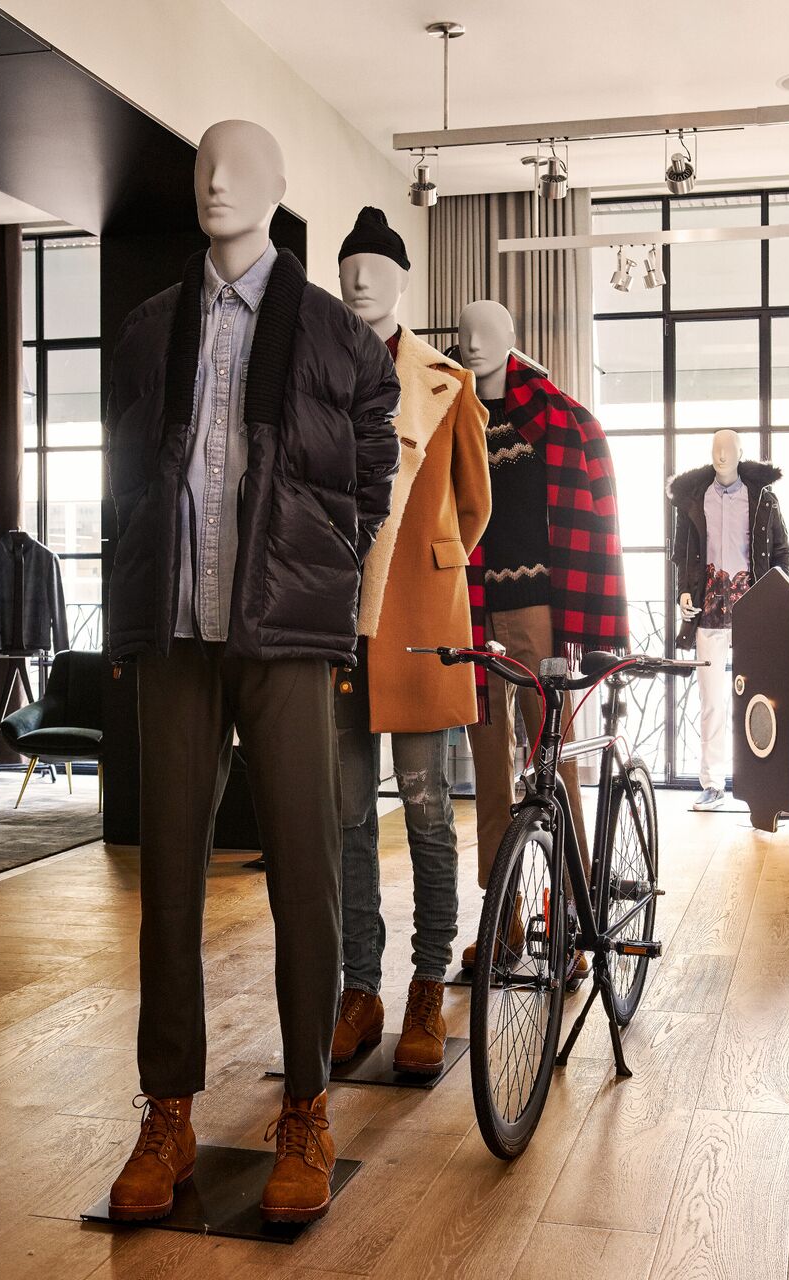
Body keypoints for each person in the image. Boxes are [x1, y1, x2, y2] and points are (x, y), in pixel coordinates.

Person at [105, 121, 400, 1224]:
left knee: (305, 875)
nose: (216, 181)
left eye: (238, 166)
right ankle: (168, 1112)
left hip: (284, 636)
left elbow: (370, 477)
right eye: (203, 164)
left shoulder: (334, 336)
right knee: (169, 878)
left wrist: (323, 573)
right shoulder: (149, 327)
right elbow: (129, 476)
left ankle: (308, 1108)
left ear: (278, 188)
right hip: (177, 634)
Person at [333, 208, 490, 1075]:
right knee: (347, 816)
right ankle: (360, 988)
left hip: (424, 619)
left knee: (428, 813)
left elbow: (473, 505)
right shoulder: (314, 369)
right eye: (349, 266)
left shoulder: (449, 383)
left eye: (377, 267)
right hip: (333, 619)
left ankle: (428, 983)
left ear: (403, 281)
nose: (361, 280)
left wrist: (426, 568)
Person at [457, 300, 628, 974]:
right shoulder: (451, 413)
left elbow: (594, 526)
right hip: (470, 611)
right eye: (464, 333)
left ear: (511, 340)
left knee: (553, 767)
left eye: (486, 332)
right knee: (488, 772)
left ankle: (571, 912)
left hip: (539, 617)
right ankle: (502, 917)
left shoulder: (561, 420)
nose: (473, 343)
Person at [668, 429, 789, 810]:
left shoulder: (763, 500)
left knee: (759, 698)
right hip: (707, 612)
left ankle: (759, 781)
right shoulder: (694, 499)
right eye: (716, 449)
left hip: (752, 611)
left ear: (740, 453)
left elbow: (782, 552)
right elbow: (681, 555)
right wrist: (684, 592)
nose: (721, 455)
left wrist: (774, 596)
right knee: (711, 701)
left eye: (728, 449)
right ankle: (712, 784)